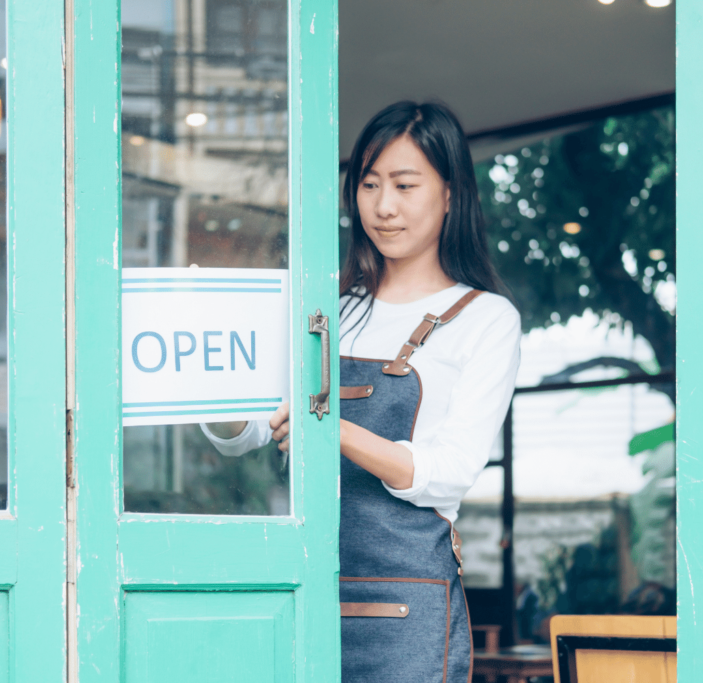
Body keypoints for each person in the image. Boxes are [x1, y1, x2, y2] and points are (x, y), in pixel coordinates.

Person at [205, 101, 521, 682]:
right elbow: (251, 428)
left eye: (405, 185)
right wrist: (204, 386)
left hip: (406, 608)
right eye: (369, 184)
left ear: (451, 194)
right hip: (303, 590)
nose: (383, 206)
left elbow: (448, 471)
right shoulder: (331, 308)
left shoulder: (487, 319)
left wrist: (330, 431)